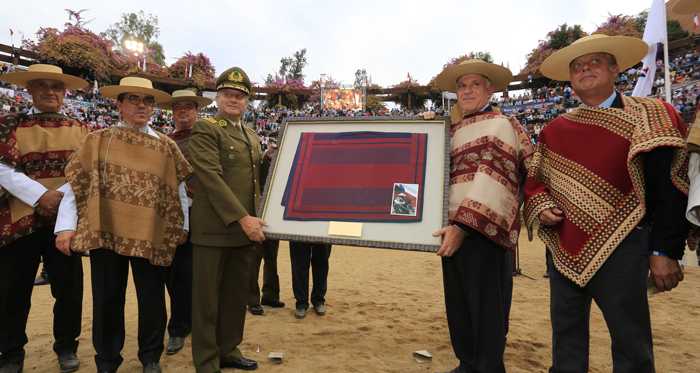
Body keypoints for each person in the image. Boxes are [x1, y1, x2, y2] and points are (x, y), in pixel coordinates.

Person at [524, 34, 697, 372]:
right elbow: (535, 184)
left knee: (630, 341)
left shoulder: (653, 115)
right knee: (565, 337)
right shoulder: (555, 130)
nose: (584, 68)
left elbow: (670, 187)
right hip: (563, 247)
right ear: (571, 78)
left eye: (595, 61)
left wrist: (664, 251)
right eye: (576, 66)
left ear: (616, 68)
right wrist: (541, 206)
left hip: (627, 246)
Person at [54, 77, 191, 373]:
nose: (142, 106)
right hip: (106, 231)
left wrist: (184, 226)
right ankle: (106, 360)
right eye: (134, 99)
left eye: (148, 101)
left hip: (151, 233)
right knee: (106, 296)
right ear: (118, 104)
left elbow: (178, 190)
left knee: (152, 297)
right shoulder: (97, 140)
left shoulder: (166, 146)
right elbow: (75, 186)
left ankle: (150, 357)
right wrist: (65, 227)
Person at [421, 59, 534, 373]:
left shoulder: (501, 124)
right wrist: (425, 130)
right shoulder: (452, 128)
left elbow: (493, 177)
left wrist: (462, 225)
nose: (467, 90)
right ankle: (468, 363)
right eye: (461, 85)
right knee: (459, 304)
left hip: (483, 231)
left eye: (474, 84)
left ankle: (487, 367)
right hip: (450, 228)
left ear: (489, 90)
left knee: (485, 308)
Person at [0, 64, 90, 373]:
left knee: (68, 289)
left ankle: (66, 347)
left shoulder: (82, 129)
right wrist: (41, 196)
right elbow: (2, 169)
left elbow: (85, 172)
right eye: (42, 85)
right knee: (12, 290)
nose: (49, 91)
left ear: (65, 92)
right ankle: (11, 354)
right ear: (30, 90)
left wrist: (58, 199)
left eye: (56, 86)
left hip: (65, 223)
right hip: (19, 220)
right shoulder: (8, 124)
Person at [189, 67, 271, 373]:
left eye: (239, 96)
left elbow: (259, 180)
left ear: (247, 102)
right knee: (207, 301)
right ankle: (207, 362)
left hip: (244, 230)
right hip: (215, 229)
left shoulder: (250, 135)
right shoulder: (207, 128)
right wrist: (242, 218)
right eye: (227, 95)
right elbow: (211, 178)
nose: (233, 100)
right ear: (218, 98)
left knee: (236, 296)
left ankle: (228, 350)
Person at [156, 90, 212, 355]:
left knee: (184, 273)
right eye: (178, 107)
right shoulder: (163, 141)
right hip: (168, 212)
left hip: (198, 212)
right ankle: (183, 319)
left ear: (197, 111)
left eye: (188, 107)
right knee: (169, 271)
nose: (183, 111)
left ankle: (178, 328)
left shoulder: (207, 138)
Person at [248, 131, 284, 316]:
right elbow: (262, 177)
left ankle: (270, 295)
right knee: (254, 259)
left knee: (271, 259)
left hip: (274, 216)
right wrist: (269, 156)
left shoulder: (285, 160)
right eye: (273, 141)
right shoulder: (264, 160)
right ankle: (252, 299)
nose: (275, 145)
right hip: (257, 212)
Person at [290, 242, 332, 319]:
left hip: (322, 231)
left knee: (321, 262)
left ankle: (318, 300)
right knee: (299, 263)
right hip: (300, 231)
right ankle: (301, 303)